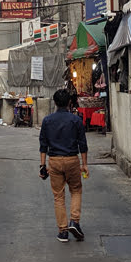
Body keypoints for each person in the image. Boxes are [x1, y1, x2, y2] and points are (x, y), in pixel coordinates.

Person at [39, 89, 89, 243]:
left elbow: (43, 145)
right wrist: (85, 164)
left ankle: (63, 231)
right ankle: (74, 221)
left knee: (58, 196)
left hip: (54, 161)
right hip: (72, 160)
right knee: (76, 190)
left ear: (54, 102)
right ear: (69, 103)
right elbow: (83, 144)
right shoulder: (76, 120)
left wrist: (42, 166)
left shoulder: (47, 120)